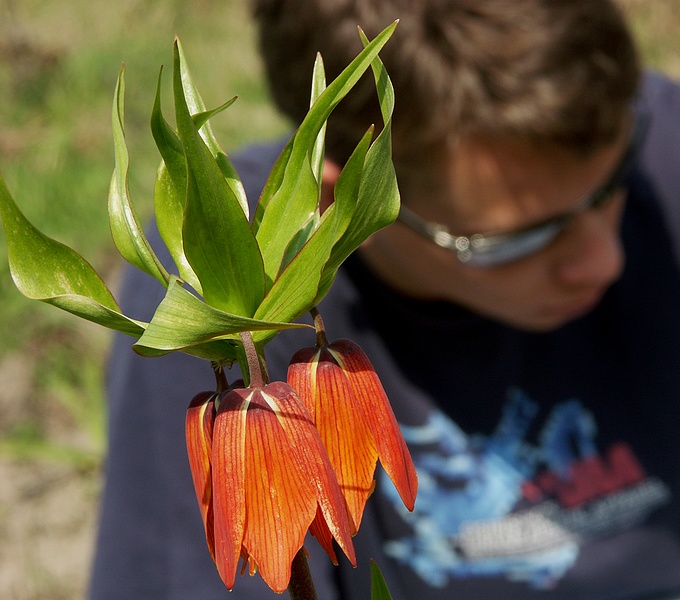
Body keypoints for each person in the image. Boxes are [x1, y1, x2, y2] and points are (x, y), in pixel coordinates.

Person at [88, 0, 680, 598]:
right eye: (516, 241)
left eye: (612, 183)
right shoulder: (192, 283)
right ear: (345, 209)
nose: (605, 260)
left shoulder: (667, 149)